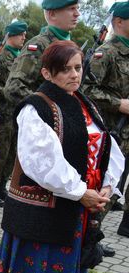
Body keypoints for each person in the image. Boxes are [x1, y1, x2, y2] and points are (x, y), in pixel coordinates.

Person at [0, 41, 124, 273]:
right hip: (44, 208)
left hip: (78, 206)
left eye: (78, 68)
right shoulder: (37, 107)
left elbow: (106, 145)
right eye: (66, 70)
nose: (74, 75)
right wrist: (80, 192)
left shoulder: (83, 104)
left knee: (62, 270)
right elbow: (41, 162)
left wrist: (107, 185)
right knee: (35, 269)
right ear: (47, 72)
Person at [84, 1, 129, 237]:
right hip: (112, 132)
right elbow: (87, 89)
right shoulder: (107, 53)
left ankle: (95, 236)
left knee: (118, 186)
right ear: (119, 22)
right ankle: (88, 235)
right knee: (105, 185)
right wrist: (119, 104)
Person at [0, 20, 28, 207]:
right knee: (0, 152)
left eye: (25, 35)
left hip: (18, 113)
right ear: (11, 36)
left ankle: (2, 186)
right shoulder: (0, 58)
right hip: (3, 111)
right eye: (21, 35)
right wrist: (7, 91)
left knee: (12, 152)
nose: (24, 37)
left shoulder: (23, 57)